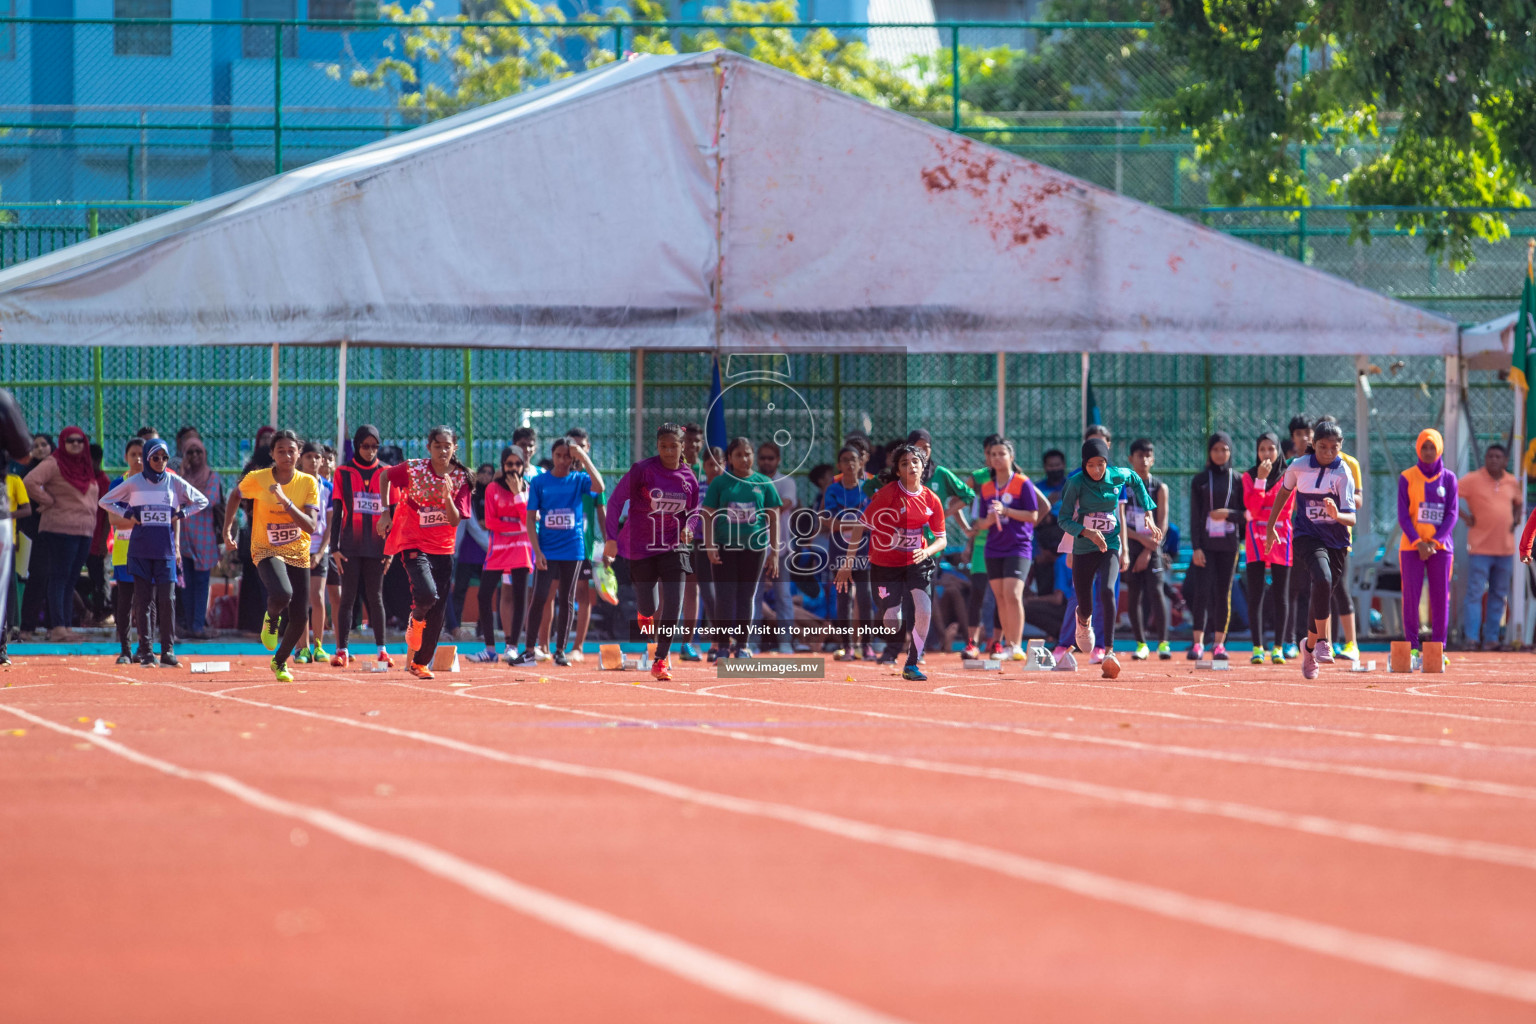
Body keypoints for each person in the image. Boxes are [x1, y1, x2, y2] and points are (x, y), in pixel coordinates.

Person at [835, 443, 947, 682]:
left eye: (915, 462)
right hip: (885, 564)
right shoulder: (887, 494)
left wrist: (927, 553)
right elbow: (859, 528)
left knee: (924, 610)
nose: (911, 467)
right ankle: (891, 639)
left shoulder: (931, 499)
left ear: (923, 465)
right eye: (904, 463)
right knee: (892, 618)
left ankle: (912, 663)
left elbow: (941, 540)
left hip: (918, 560)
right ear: (897, 471)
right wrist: (847, 565)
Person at [1058, 437, 1161, 679]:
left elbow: (1136, 479)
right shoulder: (1075, 483)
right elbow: (1063, 519)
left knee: (1107, 589)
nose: (1096, 470)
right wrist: (1087, 532)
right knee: (1085, 603)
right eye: (1091, 465)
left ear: (1107, 462)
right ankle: (1083, 621)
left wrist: (1148, 512)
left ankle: (1109, 651)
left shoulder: (1117, 475)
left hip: (1111, 544)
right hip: (1084, 546)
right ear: (1084, 464)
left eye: (1101, 464)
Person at [100, 438, 209, 667]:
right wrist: (129, 515)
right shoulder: (135, 482)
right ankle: (147, 652)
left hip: (165, 550)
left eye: (164, 458)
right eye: (155, 458)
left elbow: (201, 500)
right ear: (148, 459)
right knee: (143, 600)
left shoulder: (173, 482)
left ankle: (168, 652)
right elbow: (105, 501)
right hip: (139, 550)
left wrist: (181, 514)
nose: (160, 462)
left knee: (167, 599)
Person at [223, 430, 321, 682]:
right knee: (282, 593)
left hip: (298, 550)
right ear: (272, 454)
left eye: (291, 450)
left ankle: (279, 662)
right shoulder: (258, 478)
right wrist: (227, 529)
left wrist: (285, 501)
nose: (287, 455)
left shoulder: (308, 483)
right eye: (281, 451)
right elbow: (235, 495)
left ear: (298, 454)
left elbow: (311, 525)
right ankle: (272, 618)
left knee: (300, 616)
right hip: (265, 547)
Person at [378, 426, 474, 681]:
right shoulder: (413, 468)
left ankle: (420, 663)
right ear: (428, 447)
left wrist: (447, 498)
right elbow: (385, 477)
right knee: (426, 594)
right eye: (437, 445)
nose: (442, 450)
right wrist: (385, 511)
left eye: (447, 446)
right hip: (413, 539)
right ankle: (415, 618)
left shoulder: (463, 478)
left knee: (439, 608)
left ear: (455, 447)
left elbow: (455, 521)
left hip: (443, 547)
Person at [1266, 418, 1357, 680]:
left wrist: (1336, 513)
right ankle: (1322, 642)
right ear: (1313, 444)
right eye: (1323, 447)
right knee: (1322, 578)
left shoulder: (1343, 473)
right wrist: (1271, 525)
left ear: (1340, 447)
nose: (1328, 453)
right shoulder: (1299, 466)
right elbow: (1283, 493)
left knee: (1323, 590)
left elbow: (1352, 518)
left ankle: (1307, 648)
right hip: (1307, 535)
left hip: (1337, 540)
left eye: (1334, 448)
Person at [603, 425, 694, 680]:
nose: (668, 451)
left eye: (673, 446)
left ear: (682, 447)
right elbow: (615, 502)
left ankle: (660, 660)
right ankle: (644, 612)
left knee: (674, 601)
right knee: (649, 605)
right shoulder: (642, 471)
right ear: (657, 447)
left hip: (674, 546)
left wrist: (689, 526)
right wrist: (611, 539)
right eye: (663, 446)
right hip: (641, 547)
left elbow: (694, 510)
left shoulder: (688, 477)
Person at [518, 435, 604, 669]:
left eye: (567, 456)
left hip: (573, 550)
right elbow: (529, 519)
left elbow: (600, 486)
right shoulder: (540, 482)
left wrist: (582, 456)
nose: (563, 460)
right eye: (558, 455)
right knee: (539, 596)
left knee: (566, 599)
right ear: (552, 455)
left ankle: (560, 652)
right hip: (547, 550)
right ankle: (528, 651)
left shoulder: (579, 480)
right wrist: (538, 551)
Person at [704, 436, 781, 661]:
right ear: (729, 458)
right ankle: (721, 647)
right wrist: (710, 546)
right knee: (725, 596)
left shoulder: (763, 482)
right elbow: (707, 515)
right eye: (738, 455)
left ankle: (742, 646)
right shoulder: (720, 483)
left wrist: (774, 552)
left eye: (747, 454)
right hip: (725, 547)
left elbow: (774, 519)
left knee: (747, 596)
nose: (744, 459)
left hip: (754, 549)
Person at [25, 426, 105, 641]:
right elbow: (30, 481)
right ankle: (57, 626)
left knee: (71, 579)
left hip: (84, 530)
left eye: (80, 441)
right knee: (59, 577)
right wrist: (48, 501)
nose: (76, 444)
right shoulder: (54, 462)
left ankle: (65, 626)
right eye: (71, 441)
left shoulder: (86, 466)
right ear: (63, 442)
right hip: (59, 529)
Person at [968, 438, 1039, 660]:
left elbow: (1033, 515)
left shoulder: (1022, 482)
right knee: (1000, 597)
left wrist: (1007, 511)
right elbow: (980, 523)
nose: (997, 458)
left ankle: (1016, 645)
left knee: (1012, 594)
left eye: (1002, 454)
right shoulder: (987, 487)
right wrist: (989, 520)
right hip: (993, 548)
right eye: (993, 454)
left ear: (1011, 457)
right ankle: (1007, 645)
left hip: (1018, 546)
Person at [329, 425, 392, 668]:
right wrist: (334, 548)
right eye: (365, 446)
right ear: (356, 446)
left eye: (374, 446)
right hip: (349, 547)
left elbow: (393, 513)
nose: (370, 451)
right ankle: (342, 650)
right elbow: (337, 513)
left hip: (378, 547)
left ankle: (382, 651)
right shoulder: (343, 472)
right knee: (348, 598)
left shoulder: (386, 472)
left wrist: (391, 551)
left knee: (376, 598)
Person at [1397, 429, 1458, 666]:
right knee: (1411, 597)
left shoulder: (1449, 478)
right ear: (1418, 449)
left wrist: (1434, 542)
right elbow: (1403, 516)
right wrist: (1418, 543)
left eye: (1433, 447)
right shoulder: (1407, 477)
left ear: (1440, 448)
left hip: (1440, 549)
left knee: (1440, 597)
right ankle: (1412, 647)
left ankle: (1438, 649)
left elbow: (1452, 514)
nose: (1429, 452)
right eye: (1424, 447)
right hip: (1412, 547)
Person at [1188, 432, 1245, 662]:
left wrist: (1227, 514)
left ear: (1230, 452)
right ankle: (1198, 643)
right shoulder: (1200, 480)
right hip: (1206, 546)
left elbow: (1247, 515)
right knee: (1202, 592)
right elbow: (1194, 516)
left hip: (1229, 546)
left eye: (1225, 449)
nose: (1220, 454)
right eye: (1216, 450)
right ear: (1209, 453)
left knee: (1224, 593)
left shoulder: (1239, 480)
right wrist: (1196, 547)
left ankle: (1220, 644)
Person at [1459, 443, 1520, 649]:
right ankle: (1472, 638)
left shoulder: (1512, 482)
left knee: (1499, 595)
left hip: (1505, 550)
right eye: (1490, 456)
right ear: (1485, 459)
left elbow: (1519, 502)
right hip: (1479, 549)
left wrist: (1517, 517)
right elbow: (1450, 494)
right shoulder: (1472, 479)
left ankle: (1492, 639)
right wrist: (1464, 517)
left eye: (1498, 457)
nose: (1493, 459)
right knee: (1475, 594)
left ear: (1505, 461)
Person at [1241, 432, 1293, 665]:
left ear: (1278, 451)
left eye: (1271, 449)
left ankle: (1279, 647)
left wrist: (1262, 506)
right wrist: (1260, 481)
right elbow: (1251, 509)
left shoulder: (1288, 477)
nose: (1266, 454)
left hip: (1281, 536)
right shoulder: (1248, 476)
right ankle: (1258, 647)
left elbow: (1285, 509)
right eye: (1262, 449)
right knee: (1256, 593)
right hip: (1255, 538)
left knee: (1281, 594)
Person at [1318, 414, 1364, 662]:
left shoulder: (1349, 464)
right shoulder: (1308, 463)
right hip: (1315, 533)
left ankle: (1352, 644)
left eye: (1332, 441)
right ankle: (1326, 643)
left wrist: (1337, 501)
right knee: (1321, 588)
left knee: (1340, 589)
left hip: (1339, 534)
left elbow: (1358, 501)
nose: (1327, 447)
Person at [481, 446, 533, 664]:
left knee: (520, 596)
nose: (513, 468)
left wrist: (518, 495)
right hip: (498, 550)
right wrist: (518, 526)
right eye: (509, 464)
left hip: (521, 549)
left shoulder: (529, 488)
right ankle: (490, 649)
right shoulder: (492, 488)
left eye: (517, 464)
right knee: (484, 595)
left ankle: (512, 646)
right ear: (503, 465)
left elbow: (529, 520)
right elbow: (490, 522)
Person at [822, 444, 873, 661]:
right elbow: (829, 523)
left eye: (854, 459)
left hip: (865, 552)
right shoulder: (833, 490)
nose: (850, 464)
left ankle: (867, 645)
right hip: (839, 553)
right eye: (845, 460)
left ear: (861, 462)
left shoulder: (869, 488)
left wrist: (843, 522)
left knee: (865, 596)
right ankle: (848, 646)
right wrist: (854, 523)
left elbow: (872, 521)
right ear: (839, 465)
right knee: (843, 599)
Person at [1124, 438, 1171, 661]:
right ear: (1130, 459)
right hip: (1131, 544)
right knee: (1134, 594)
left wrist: (1149, 550)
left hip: (1152, 546)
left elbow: (1162, 522)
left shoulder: (1159, 487)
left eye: (1148, 455)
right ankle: (1141, 643)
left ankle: (1163, 642)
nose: (1144, 460)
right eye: (1139, 455)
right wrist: (1139, 544)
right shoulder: (1123, 488)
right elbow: (1120, 521)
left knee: (1156, 591)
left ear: (1153, 459)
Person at [756, 440, 803, 654]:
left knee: (783, 595)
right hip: (754, 549)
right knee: (754, 597)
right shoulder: (752, 481)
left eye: (770, 458)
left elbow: (784, 505)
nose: (766, 461)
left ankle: (786, 642)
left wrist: (755, 510)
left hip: (780, 549)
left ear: (778, 460)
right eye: (763, 457)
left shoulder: (787, 482)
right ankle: (751, 643)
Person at [566, 427, 607, 662]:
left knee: (582, 592)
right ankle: (544, 645)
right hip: (556, 546)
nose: (577, 451)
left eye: (581, 447)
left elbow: (601, 514)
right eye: (573, 447)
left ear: (587, 449)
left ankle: (578, 646)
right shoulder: (559, 475)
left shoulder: (593, 480)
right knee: (550, 593)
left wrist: (609, 541)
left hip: (584, 547)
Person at [176, 437, 223, 639]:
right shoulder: (179, 476)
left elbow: (209, 500)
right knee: (185, 584)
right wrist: (184, 475)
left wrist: (188, 495)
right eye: (190, 452)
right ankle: (189, 626)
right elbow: (175, 496)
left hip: (203, 540)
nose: (195, 456)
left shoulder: (212, 476)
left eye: (198, 452)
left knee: (202, 583)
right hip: (183, 538)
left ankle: (197, 626)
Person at [104, 438, 146, 662]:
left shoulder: (155, 483)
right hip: (123, 550)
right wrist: (142, 519)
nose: (138, 459)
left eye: (141, 454)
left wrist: (129, 518)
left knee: (145, 602)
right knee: (125, 601)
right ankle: (125, 650)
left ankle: (144, 648)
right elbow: (113, 518)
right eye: (133, 454)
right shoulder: (118, 484)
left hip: (149, 549)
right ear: (126, 457)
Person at [294, 441, 333, 665]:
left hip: (319, 548)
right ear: (302, 459)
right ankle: (302, 648)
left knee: (318, 597)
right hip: (299, 547)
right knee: (300, 598)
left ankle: (318, 645)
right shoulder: (295, 484)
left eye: (317, 457)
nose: (313, 461)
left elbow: (330, 523)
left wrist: (320, 552)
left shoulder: (327, 487)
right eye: (308, 456)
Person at [0, 457, 32, 665]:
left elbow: (27, 509)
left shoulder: (13, 481)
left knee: (6, 591)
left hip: (5, 541)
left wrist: (5, 514)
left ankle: (3, 645)